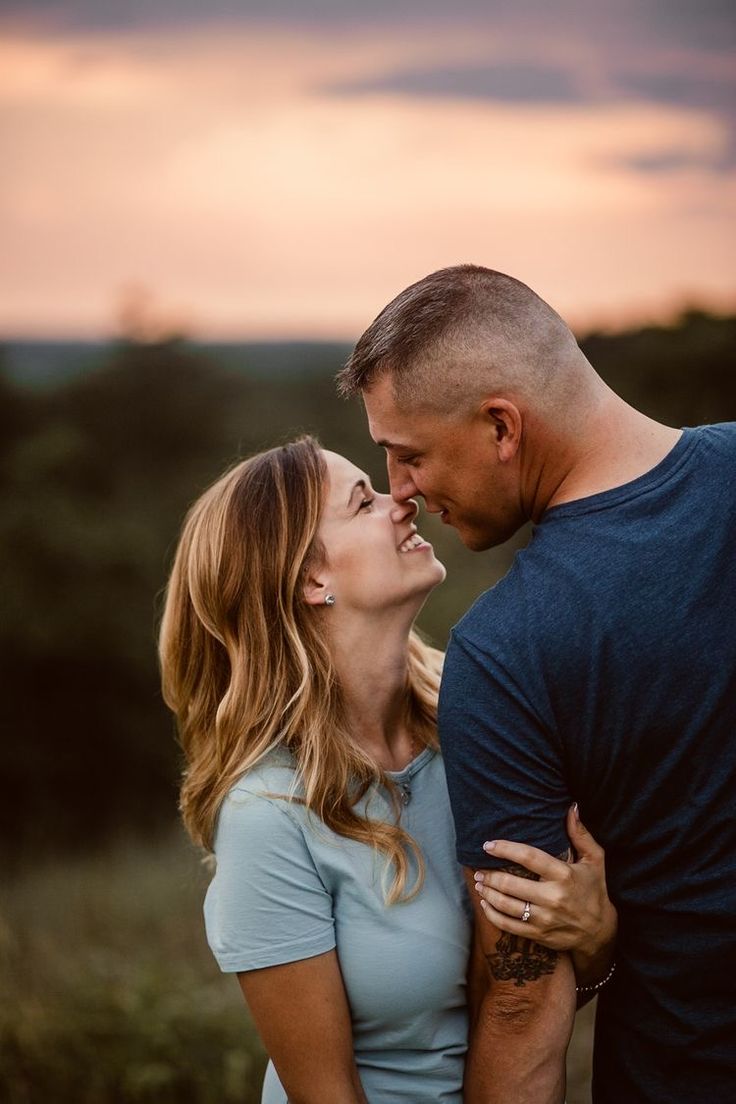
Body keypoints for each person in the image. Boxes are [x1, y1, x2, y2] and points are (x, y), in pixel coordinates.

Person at [337, 263, 736, 1104]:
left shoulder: (504, 654)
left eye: (410, 457)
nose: (403, 493)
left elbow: (524, 999)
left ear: (501, 426)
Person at [158, 436, 616, 1104]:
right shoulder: (269, 814)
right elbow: (325, 1094)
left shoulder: (478, 731)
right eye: (363, 500)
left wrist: (597, 941)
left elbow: (518, 1000)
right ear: (311, 579)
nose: (402, 499)